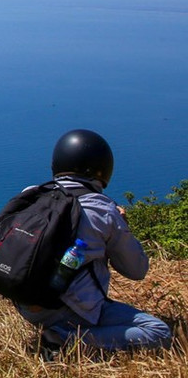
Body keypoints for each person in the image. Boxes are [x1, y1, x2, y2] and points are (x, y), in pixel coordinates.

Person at [16, 129, 171, 354]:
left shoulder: (32, 194)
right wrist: (120, 227)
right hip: (71, 309)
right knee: (159, 332)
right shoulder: (103, 211)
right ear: (103, 169)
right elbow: (137, 270)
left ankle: (57, 329)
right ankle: (63, 338)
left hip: (26, 304)